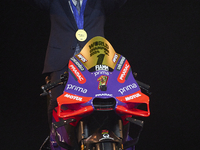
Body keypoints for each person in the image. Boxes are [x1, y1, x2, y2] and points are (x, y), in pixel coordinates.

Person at [25, 0, 127, 129]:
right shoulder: (55, 2)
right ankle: (57, 143)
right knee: (57, 104)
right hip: (62, 62)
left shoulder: (99, 3)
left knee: (106, 103)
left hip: (95, 62)